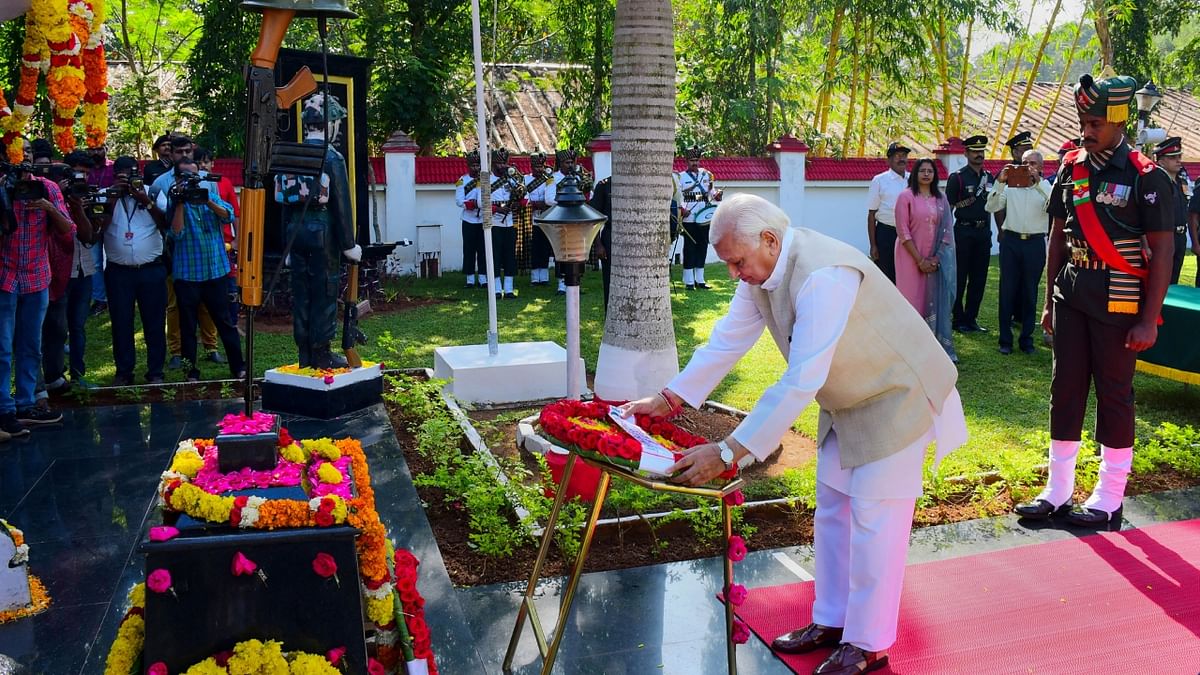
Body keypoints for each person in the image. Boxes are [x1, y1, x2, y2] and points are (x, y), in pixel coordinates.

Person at [620, 193, 965, 675]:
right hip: (850, 401)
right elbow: (728, 340)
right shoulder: (761, 272)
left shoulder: (824, 275)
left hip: (899, 396)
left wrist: (727, 452)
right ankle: (830, 621)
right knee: (833, 513)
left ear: (769, 239)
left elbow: (802, 378)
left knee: (874, 521)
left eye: (737, 262)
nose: (734, 273)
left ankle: (867, 643)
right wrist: (669, 399)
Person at [1014, 74, 1174, 528]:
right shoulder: (1070, 167)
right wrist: (1049, 300)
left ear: (1120, 119)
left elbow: (1163, 252)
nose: (1087, 129)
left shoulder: (1146, 177)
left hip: (1120, 300)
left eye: (1097, 122)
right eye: (1084, 120)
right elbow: (1057, 238)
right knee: (1064, 389)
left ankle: (1109, 495)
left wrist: (1148, 320)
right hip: (1072, 292)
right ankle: (1058, 490)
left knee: (1114, 394)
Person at [274, 101, 360, 368]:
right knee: (324, 289)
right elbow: (341, 205)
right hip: (323, 233)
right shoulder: (332, 157)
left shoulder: (293, 154)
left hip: (295, 233)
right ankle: (321, 351)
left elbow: (285, 203)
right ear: (331, 124)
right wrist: (348, 245)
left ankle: (304, 353)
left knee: (301, 291)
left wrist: (286, 247)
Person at [0, 161, 76, 437]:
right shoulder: (2, 188)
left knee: (31, 345)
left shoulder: (48, 188)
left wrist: (48, 207)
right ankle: (4, 409)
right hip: (4, 277)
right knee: (3, 347)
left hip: (37, 277)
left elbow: (68, 230)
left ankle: (26, 404)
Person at [166, 157, 245, 381]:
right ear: (178, 179)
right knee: (187, 326)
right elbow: (177, 234)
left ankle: (238, 367)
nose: (193, 180)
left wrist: (206, 200)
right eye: (187, 177)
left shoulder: (210, 193)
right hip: (188, 274)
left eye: (195, 175)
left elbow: (228, 215)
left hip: (215, 271)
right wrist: (181, 202)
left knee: (225, 322)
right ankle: (191, 371)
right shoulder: (175, 201)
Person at [154, 136, 220, 368]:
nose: (183, 155)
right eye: (178, 151)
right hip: (175, 252)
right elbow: (160, 219)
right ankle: (176, 351)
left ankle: (211, 347)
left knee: (207, 305)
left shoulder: (208, 180)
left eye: (187, 151)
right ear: (170, 154)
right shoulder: (160, 183)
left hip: (206, 252)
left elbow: (220, 210)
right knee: (174, 306)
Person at [103, 157, 169, 385]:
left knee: (155, 322)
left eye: (131, 176)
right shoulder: (106, 194)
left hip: (151, 269)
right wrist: (112, 198)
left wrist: (144, 199)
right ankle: (123, 372)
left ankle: (156, 372)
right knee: (121, 322)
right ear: (114, 176)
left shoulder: (153, 191)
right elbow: (98, 227)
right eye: (122, 177)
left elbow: (166, 223)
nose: (127, 181)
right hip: (118, 271)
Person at [987, 148, 1052, 355]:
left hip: (1034, 243)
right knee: (1007, 290)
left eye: (1033, 163)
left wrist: (1038, 183)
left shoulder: (1046, 186)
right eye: (1025, 163)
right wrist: (1000, 181)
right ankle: (1005, 340)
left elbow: (1054, 206)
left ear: (1041, 167)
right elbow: (991, 206)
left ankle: (1027, 340)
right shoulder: (1011, 187)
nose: (1028, 167)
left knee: (1030, 291)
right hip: (1012, 241)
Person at [894, 158, 957, 363]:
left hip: (935, 258)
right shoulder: (906, 197)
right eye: (923, 170)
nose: (927, 174)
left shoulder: (941, 199)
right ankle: (908, 348)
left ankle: (931, 346)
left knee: (932, 299)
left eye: (930, 171)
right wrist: (920, 260)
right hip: (909, 256)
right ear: (915, 174)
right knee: (911, 299)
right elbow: (903, 232)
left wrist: (937, 258)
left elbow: (947, 230)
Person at [946, 135, 996, 333]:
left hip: (983, 232)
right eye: (975, 151)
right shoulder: (957, 178)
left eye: (981, 151)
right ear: (966, 153)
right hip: (963, 231)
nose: (979, 155)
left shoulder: (989, 178)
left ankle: (972, 318)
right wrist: (947, 235)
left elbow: (994, 205)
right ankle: (958, 320)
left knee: (979, 278)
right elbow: (948, 208)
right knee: (960, 277)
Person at [195, 146, 241, 327]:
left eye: (206, 161)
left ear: (212, 163)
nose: (203, 166)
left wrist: (237, 240)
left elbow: (235, 213)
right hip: (202, 244)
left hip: (226, 243)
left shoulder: (224, 182)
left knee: (230, 285)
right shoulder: (188, 185)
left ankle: (233, 324)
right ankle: (206, 328)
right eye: (199, 162)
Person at [546, 148, 593, 294]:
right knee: (562, 252)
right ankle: (561, 284)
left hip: (577, 220)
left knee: (576, 251)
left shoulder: (579, 177)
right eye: (567, 162)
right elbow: (548, 199)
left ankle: (577, 282)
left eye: (572, 162)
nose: (570, 165)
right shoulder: (553, 179)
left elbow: (590, 194)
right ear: (560, 163)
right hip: (561, 220)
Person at [866, 142, 911, 283]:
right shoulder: (879, 180)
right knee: (886, 276)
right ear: (889, 160)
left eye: (904, 155)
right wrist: (873, 245)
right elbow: (872, 215)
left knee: (907, 275)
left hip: (910, 234)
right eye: (897, 156)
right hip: (887, 233)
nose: (901, 159)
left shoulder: (914, 179)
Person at [676, 146, 720, 290]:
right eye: (692, 160)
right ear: (687, 161)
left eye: (697, 160)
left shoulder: (707, 175)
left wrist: (717, 194)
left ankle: (700, 280)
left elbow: (711, 192)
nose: (695, 163)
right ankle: (689, 281)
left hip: (704, 217)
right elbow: (678, 197)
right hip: (689, 218)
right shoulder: (680, 177)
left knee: (702, 247)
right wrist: (682, 209)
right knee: (689, 248)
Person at [487, 147, 524, 298]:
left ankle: (508, 289)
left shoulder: (512, 178)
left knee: (510, 256)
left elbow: (522, 195)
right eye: (499, 163)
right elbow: (480, 202)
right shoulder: (485, 179)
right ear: (493, 164)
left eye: (504, 162)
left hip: (509, 222)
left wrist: (517, 204)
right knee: (495, 255)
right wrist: (496, 209)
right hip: (494, 222)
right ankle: (496, 289)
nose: (502, 166)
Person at [1153, 137, 1190, 285]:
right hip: (1165, 236)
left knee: (1174, 280)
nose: (1178, 161)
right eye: (1173, 158)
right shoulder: (1157, 183)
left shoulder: (1181, 182)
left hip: (1180, 237)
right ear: (1161, 161)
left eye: (1179, 157)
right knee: (1161, 280)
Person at [454, 150, 485, 289]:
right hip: (469, 220)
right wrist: (472, 203)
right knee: (469, 249)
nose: (475, 168)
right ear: (468, 166)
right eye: (473, 165)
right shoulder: (462, 181)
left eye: (477, 165)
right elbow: (459, 201)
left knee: (483, 250)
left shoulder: (485, 179)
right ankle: (470, 279)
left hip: (483, 219)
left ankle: (483, 278)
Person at [526, 151, 553, 286]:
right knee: (534, 248)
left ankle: (544, 276)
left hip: (546, 218)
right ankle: (535, 277)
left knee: (545, 248)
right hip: (530, 219)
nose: (539, 169)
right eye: (536, 166)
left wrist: (543, 205)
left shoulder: (548, 179)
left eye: (541, 166)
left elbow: (551, 198)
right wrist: (534, 205)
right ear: (531, 166)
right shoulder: (525, 179)